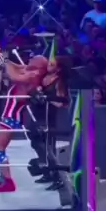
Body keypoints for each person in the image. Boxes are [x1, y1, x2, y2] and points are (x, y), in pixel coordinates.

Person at [0, 56, 49, 193]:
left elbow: (13, 76)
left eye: (34, 59)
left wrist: (5, 61)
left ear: (39, 65)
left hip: (11, 117)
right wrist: (5, 58)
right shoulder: (29, 70)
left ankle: (9, 182)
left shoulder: (33, 75)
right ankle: (3, 177)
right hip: (7, 115)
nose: (30, 59)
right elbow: (17, 67)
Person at [28, 56, 71, 190]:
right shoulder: (43, 77)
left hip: (48, 118)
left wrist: (46, 98)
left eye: (52, 64)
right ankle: (47, 173)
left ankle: (58, 178)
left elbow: (61, 103)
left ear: (58, 69)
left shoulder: (59, 82)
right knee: (36, 143)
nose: (48, 66)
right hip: (37, 115)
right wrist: (37, 93)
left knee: (47, 148)